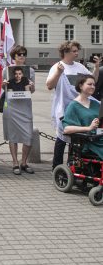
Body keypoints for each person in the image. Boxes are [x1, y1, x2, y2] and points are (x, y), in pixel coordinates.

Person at [46, 40, 100, 169]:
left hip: (81, 106)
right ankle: (56, 167)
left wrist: (96, 68)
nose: (77, 54)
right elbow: (49, 85)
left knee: (77, 138)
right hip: (64, 106)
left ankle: (74, 165)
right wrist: (59, 73)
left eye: (77, 51)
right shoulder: (57, 66)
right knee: (62, 137)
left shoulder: (79, 67)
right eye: (74, 51)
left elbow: (92, 81)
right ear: (65, 52)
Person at [2, 45, 36, 175]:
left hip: (25, 106)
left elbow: (32, 91)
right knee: (13, 135)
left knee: (28, 135)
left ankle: (24, 162)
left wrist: (31, 87)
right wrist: (4, 85)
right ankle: (15, 162)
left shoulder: (30, 71)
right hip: (11, 105)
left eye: (24, 54)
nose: (22, 56)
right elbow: (3, 89)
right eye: (19, 54)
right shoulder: (6, 70)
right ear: (14, 57)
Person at [62, 74, 103, 160]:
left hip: (99, 137)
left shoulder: (96, 104)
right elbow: (67, 129)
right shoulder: (73, 106)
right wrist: (89, 128)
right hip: (88, 142)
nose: (92, 87)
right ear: (80, 86)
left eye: (94, 85)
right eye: (89, 84)